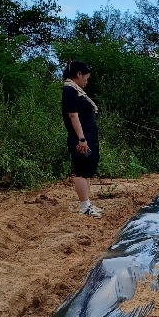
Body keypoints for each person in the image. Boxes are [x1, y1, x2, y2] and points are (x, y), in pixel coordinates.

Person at [61, 60, 102, 219]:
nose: (87, 81)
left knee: (87, 170)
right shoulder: (69, 90)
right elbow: (73, 115)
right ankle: (84, 206)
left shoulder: (76, 90)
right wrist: (82, 139)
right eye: (86, 77)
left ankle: (88, 204)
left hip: (88, 138)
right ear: (79, 74)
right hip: (80, 139)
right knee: (82, 171)